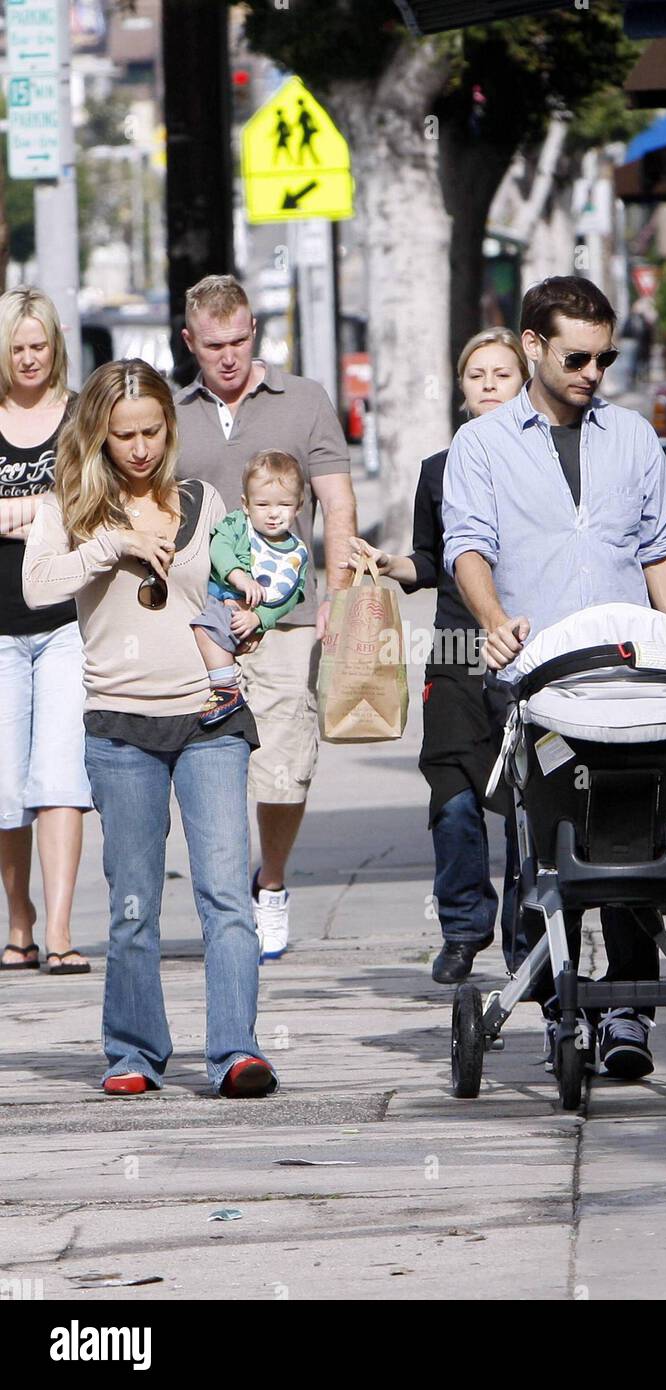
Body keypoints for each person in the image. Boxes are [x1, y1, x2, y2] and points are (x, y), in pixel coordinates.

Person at [442, 275, 666, 1080]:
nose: (593, 371)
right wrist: (491, 618)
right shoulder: (480, 447)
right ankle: (561, 1009)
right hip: (536, 681)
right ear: (532, 347)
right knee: (546, 853)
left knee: (632, 842)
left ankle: (625, 1013)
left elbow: (661, 550)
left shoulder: (634, 438)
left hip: (632, 680)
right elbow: (467, 545)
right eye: (578, 356)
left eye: (605, 357)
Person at [22, 359, 276, 1099]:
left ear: (170, 427)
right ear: (98, 436)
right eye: (123, 435)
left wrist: (246, 619)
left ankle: (235, 1051)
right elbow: (38, 585)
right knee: (133, 900)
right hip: (123, 728)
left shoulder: (204, 498)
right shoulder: (70, 507)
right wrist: (113, 545)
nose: (138, 448)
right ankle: (133, 1051)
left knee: (226, 891)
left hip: (210, 718)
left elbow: (232, 584)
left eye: (151, 432)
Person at [176, 274, 356, 960]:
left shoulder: (304, 401)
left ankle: (271, 884)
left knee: (285, 760)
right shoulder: (174, 409)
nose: (228, 355)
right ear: (190, 340)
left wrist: (337, 599)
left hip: (288, 618)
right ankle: (225, 895)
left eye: (240, 340)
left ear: (255, 333)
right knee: (210, 761)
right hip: (202, 622)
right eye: (213, 343)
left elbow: (337, 503)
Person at [346, 329, 529, 984]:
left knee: (529, 804)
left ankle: (526, 941)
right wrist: (390, 564)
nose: (486, 383)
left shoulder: (545, 466)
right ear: (459, 389)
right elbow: (430, 561)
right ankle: (463, 925)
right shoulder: (437, 470)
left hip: (527, 651)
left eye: (500, 373)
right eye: (474, 374)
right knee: (452, 795)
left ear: (524, 382)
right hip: (456, 648)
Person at [0, 287, 91, 976]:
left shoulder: (78, 416)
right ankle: (19, 921)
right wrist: (42, 509)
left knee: (59, 777)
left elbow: (91, 502)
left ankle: (58, 930)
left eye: (39, 345)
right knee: (6, 787)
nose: (30, 358)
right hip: (0, 628)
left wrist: (25, 511)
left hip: (67, 622)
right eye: (17, 347)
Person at [191, 449, 308, 729]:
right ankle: (223, 679)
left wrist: (260, 618)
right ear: (246, 504)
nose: (273, 513)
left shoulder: (295, 553)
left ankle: (225, 688)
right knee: (202, 626)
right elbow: (219, 547)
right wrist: (238, 576)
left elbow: (290, 595)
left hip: (247, 616)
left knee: (204, 630)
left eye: (283, 505)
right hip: (218, 595)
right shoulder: (237, 523)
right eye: (263, 504)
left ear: (299, 506)